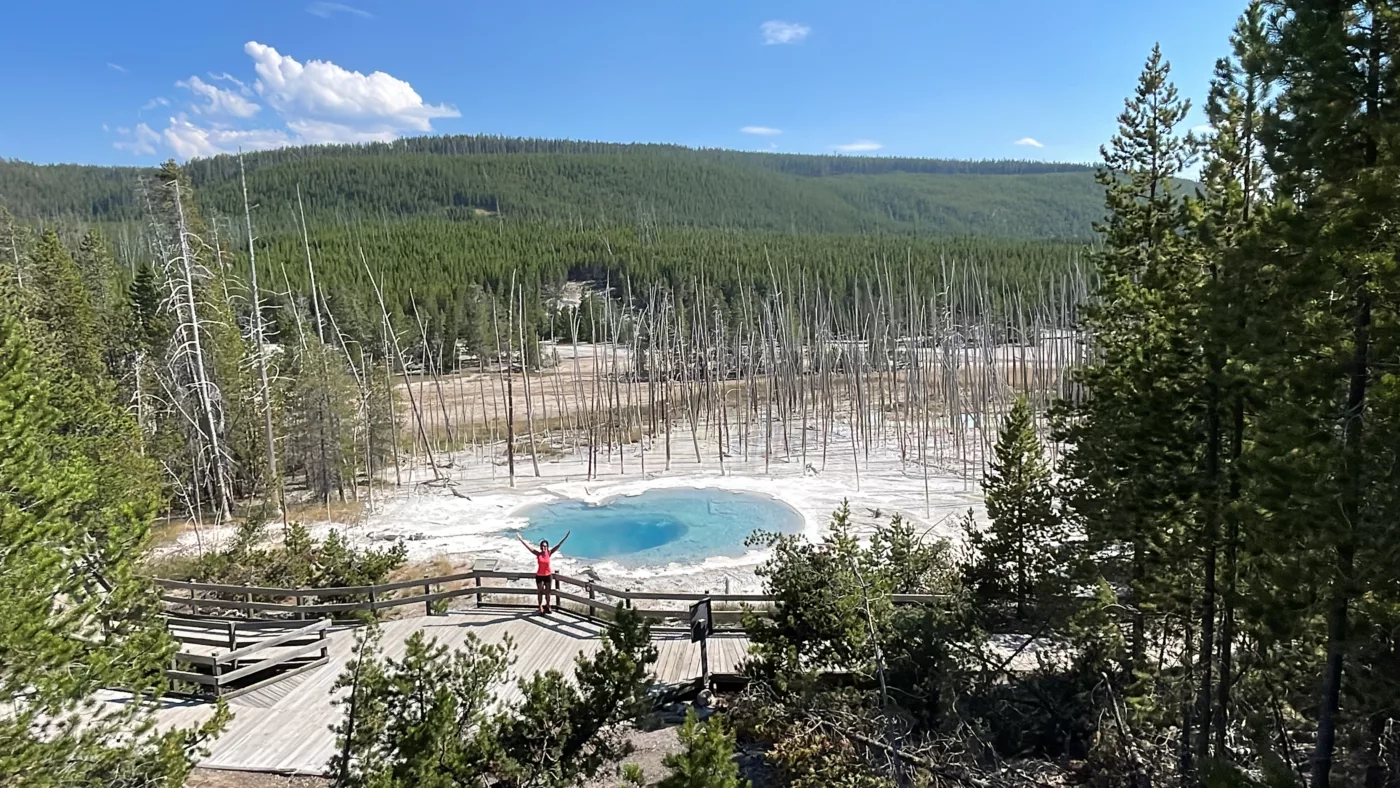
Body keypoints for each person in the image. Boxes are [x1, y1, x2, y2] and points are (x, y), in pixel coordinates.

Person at [517, 531, 570, 614]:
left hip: (548, 575)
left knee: (548, 592)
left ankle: (548, 605)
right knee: (540, 592)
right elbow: (528, 547)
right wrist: (520, 539)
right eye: (542, 546)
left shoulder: (549, 553)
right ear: (540, 547)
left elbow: (558, 545)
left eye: (545, 546)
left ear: (547, 546)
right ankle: (540, 606)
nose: (543, 547)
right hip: (539, 576)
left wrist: (565, 537)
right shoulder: (538, 554)